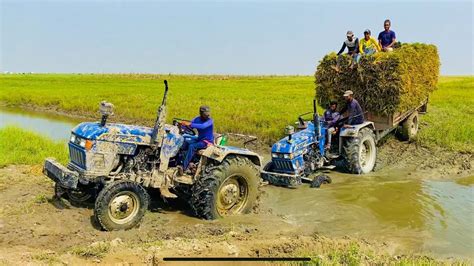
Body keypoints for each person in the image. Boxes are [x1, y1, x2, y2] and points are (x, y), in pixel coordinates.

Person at [179, 105, 214, 172]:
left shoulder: (210, 121)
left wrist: (189, 124)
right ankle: (179, 161)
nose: (207, 116)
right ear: (201, 113)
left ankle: (183, 167)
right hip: (199, 139)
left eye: (208, 114)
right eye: (205, 114)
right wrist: (182, 126)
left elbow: (202, 126)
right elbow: (189, 128)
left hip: (206, 142)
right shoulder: (196, 119)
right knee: (184, 141)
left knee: (192, 146)